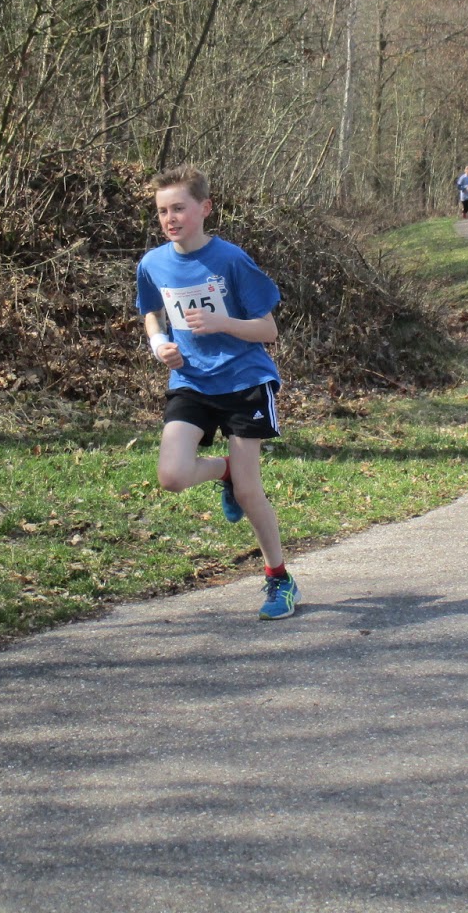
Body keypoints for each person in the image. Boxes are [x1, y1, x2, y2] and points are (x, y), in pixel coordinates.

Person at [135, 164, 299, 619]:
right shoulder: (152, 264)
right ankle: (223, 469)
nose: (170, 219)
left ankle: (279, 579)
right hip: (191, 381)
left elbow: (268, 330)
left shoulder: (230, 260)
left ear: (204, 208)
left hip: (245, 381)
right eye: (162, 211)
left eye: (179, 209)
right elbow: (151, 312)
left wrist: (223, 322)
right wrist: (158, 345)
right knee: (171, 476)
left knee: (249, 491)